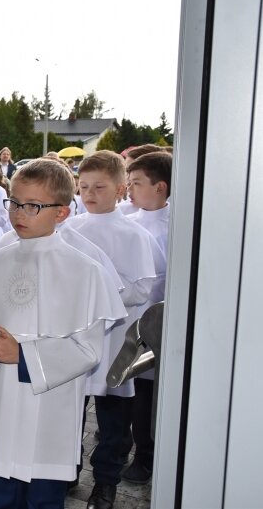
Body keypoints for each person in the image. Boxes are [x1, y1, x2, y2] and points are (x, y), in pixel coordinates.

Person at [0, 158, 126, 509]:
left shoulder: (84, 271)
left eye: (32, 206)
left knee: (44, 500)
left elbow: (88, 351)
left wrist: (23, 355)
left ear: (61, 213)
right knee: (1, 495)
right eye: (15, 202)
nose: (19, 213)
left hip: (51, 410)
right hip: (2, 402)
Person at [64, 150, 161, 509]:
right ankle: (66, 468)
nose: (89, 194)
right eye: (84, 186)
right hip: (75, 334)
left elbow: (141, 289)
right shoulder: (69, 228)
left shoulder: (133, 235)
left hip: (115, 338)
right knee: (70, 409)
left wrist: (100, 288)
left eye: (99, 187)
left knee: (114, 421)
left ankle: (105, 483)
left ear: (120, 189)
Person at [123, 150, 172, 484]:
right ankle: (130, 441)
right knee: (131, 385)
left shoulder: (177, 227)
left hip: (158, 323)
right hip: (130, 318)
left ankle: (147, 455)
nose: (130, 189)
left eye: (137, 183)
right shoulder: (131, 222)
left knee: (148, 393)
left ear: (160, 187)